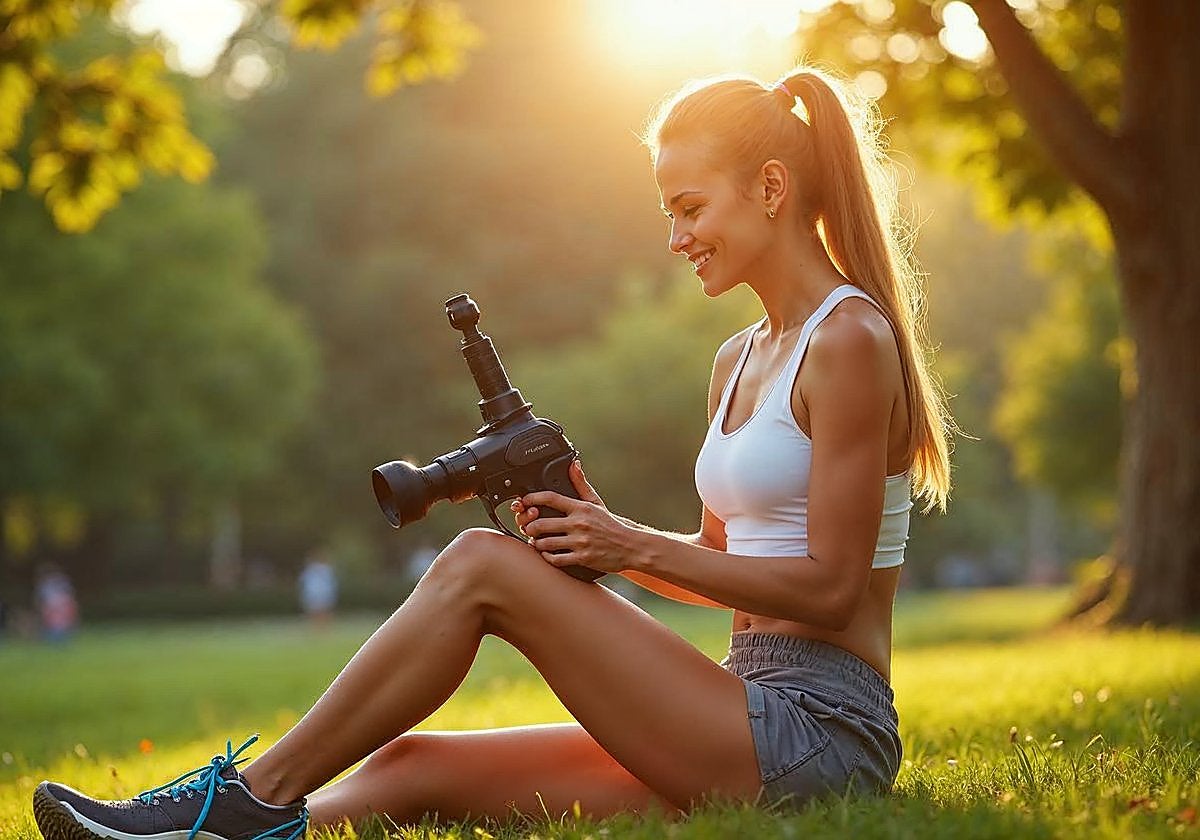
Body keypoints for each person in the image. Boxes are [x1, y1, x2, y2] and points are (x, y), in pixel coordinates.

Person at [31, 65, 952, 840]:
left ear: (772, 188)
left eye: (688, 208)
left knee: (478, 563)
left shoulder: (849, 340)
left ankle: (234, 805)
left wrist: (626, 544)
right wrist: (591, 533)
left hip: (820, 738)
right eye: (668, 213)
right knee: (411, 765)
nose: (676, 239)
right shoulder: (737, 359)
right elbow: (721, 567)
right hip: (734, 708)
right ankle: (229, 829)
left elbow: (831, 586)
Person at [298, 554, 338, 629]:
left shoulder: (326, 570)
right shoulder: (309, 570)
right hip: (313, 593)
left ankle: (324, 627)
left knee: (324, 610)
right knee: (314, 610)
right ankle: (316, 627)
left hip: (323, 592)